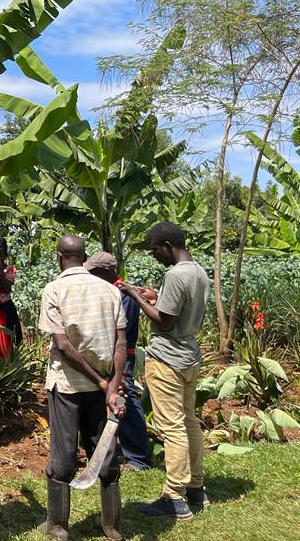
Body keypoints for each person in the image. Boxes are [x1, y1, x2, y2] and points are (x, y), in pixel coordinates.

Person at [36, 236, 127, 541]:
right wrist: (111, 385)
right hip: (102, 387)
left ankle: (57, 525)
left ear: (60, 256)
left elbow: (62, 345)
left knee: (63, 456)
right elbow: (121, 342)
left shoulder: (54, 289)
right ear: (83, 256)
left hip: (67, 385)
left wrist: (102, 382)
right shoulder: (109, 290)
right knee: (105, 451)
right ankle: (111, 525)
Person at [122, 222, 210, 520]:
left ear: (168, 245)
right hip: (189, 356)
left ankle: (174, 496)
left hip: (167, 358)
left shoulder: (174, 275)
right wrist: (153, 296)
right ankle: (196, 488)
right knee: (189, 421)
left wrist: (134, 296)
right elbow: (176, 309)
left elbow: (165, 321)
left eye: (155, 249)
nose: (155, 255)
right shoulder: (198, 271)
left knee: (172, 427)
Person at [85, 252, 155, 472]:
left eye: (94, 272)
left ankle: (138, 457)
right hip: (112, 354)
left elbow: (118, 332)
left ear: (106, 272)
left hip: (121, 355)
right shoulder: (115, 290)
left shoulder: (123, 293)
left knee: (126, 398)